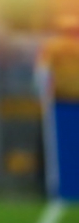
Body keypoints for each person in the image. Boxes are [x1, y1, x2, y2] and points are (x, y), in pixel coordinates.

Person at [37, 14, 79, 201]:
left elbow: (42, 73)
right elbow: (44, 73)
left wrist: (43, 96)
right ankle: (60, 189)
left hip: (61, 101)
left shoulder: (53, 47)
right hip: (61, 102)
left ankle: (60, 188)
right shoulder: (53, 47)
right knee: (61, 150)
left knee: (60, 151)